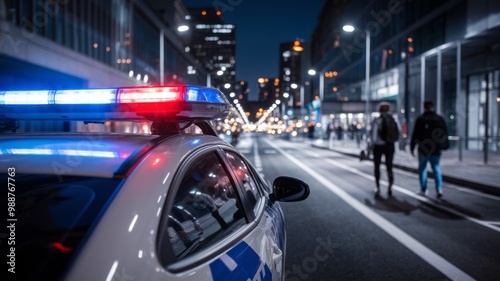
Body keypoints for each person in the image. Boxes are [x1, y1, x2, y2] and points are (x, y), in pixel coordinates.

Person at [410, 101, 449, 199]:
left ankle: (423, 189)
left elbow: (415, 134)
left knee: (422, 169)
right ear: (432, 107)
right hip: (436, 149)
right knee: (436, 168)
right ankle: (439, 189)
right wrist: (445, 146)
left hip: (423, 149)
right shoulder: (439, 119)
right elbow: (444, 133)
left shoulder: (421, 119)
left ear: (424, 107)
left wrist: (412, 147)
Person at [369, 102, 400, 196]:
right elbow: (399, 132)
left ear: (379, 110)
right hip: (390, 146)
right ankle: (390, 187)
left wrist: (370, 146)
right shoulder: (394, 119)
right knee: (389, 167)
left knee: (377, 167)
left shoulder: (376, 120)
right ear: (388, 110)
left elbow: (373, 136)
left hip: (378, 146)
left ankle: (377, 187)